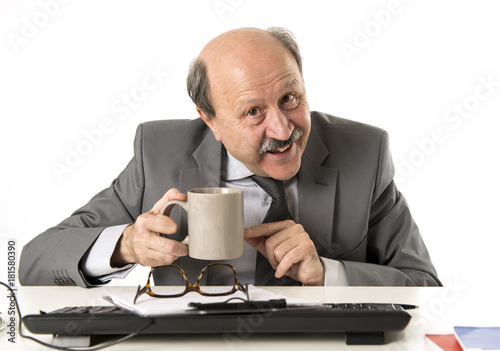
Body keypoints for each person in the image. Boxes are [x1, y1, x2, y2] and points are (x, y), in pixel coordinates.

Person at [19, 27, 441, 287]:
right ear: (211, 120)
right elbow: (36, 260)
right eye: (253, 111)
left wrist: (329, 274)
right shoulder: (158, 153)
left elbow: (424, 287)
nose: (283, 129)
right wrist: (124, 246)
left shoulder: (363, 154)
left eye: (290, 97)